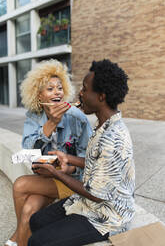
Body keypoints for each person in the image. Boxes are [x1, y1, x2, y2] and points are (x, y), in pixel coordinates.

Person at [27, 59, 135, 246]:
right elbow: (98, 163)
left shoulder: (113, 138)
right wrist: (68, 158)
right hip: (90, 201)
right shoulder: (103, 124)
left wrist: (55, 173)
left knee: (37, 242)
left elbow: (96, 194)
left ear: (101, 96)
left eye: (85, 89)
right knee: (36, 221)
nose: (80, 94)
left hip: (108, 215)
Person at [5, 59, 92, 246]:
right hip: (48, 178)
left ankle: (17, 238)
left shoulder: (77, 118)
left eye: (59, 88)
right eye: (50, 88)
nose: (57, 92)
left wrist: (68, 170)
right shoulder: (34, 117)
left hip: (74, 182)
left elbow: (91, 159)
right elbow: (28, 148)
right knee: (28, 209)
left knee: (20, 185)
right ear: (38, 95)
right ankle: (22, 239)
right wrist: (50, 123)